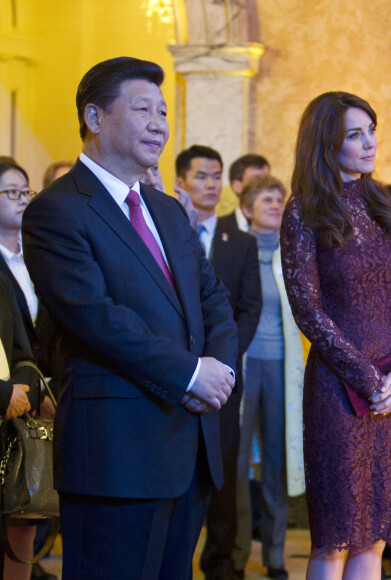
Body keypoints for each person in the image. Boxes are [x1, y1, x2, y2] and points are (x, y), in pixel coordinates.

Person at [21, 56, 238, 580]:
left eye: (163, 111)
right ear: (95, 119)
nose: (159, 124)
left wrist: (217, 374)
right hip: (117, 450)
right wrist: (188, 374)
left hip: (189, 442)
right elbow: (94, 315)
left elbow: (214, 301)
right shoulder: (58, 209)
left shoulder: (165, 209)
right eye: (143, 109)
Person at [280, 92, 391, 580]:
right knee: (334, 540)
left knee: (374, 537)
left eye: (371, 130)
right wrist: (368, 378)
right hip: (339, 391)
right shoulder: (303, 211)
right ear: (326, 141)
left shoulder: (386, 208)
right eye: (355, 134)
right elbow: (308, 310)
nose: (369, 143)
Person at [175, 144, 262, 580]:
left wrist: (224, 362)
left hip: (226, 377)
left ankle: (221, 561)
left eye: (215, 176)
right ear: (180, 183)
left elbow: (249, 307)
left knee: (225, 467)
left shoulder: (240, 240)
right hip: (175, 372)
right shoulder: (166, 230)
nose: (210, 184)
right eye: (201, 176)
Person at [234, 174, 305, 580]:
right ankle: (238, 552)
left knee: (278, 462)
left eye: (280, 199)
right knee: (239, 463)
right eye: (266, 199)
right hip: (244, 366)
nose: (276, 204)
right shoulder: (234, 250)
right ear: (246, 208)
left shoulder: (293, 252)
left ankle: (275, 555)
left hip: (283, 367)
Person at [0, 160, 57, 580]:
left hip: (44, 393)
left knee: (29, 508)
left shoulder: (39, 254)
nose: (22, 199)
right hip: (13, 395)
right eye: (11, 192)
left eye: (26, 191)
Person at [220, 154, 270, 232]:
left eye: (267, 180)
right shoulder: (219, 228)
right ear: (237, 186)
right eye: (256, 180)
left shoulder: (280, 228)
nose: (264, 187)